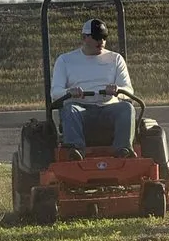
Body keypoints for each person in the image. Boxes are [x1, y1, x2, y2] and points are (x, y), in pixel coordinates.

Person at [50, 18, 136, 159]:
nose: (101, 41)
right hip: (80, 110)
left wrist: (118, 90)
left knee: (127, 108)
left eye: (104, 37)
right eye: (96, 37)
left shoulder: (115, 59)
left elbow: (128, 90)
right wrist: (69, 92)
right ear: (84, 37)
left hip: (108, 109)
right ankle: (75, 151)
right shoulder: (65, 60)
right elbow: (55, 93)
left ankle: (124, 151)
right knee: (70, 110)